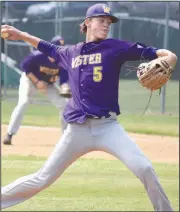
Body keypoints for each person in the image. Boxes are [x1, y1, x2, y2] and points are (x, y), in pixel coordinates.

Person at [1, 3, 177, 211]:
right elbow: (46, 46)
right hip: (76, 130)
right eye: (101, 20)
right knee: (42, 178)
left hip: (108, 128)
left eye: (108, 22)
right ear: (88, 23)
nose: (106, 25)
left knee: (145, 168)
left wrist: (171, 57)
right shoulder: (71, 53)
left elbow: (156, 53)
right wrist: (20, 34)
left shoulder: (115, 47)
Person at [3, 35, 71, 145]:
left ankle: (66, 138)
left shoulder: (63, 61)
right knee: (23, 102)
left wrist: (65, 88)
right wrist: (37, 82)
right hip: (30, 80)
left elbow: (64, 80)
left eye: (61, 48)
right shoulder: (37, 56)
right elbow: (25, 68)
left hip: (48, 85)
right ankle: (9, 134)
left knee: (65, 105)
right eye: (56, 47)